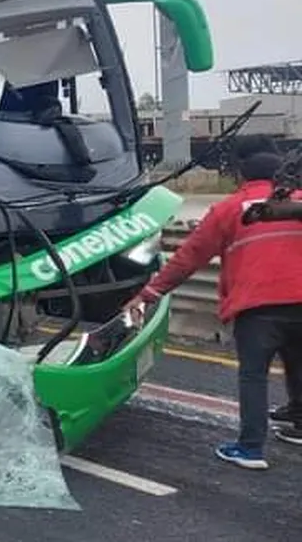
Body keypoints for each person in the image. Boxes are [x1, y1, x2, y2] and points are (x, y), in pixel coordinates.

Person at [123, 135, 302, 469]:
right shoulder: (297, 203)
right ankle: (299, 422)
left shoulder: (228, 209)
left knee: (254, 375)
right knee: (298, 360)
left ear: (240, 175)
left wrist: (148, 294)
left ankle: (250, 448)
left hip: (257, 306)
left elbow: (188, 258)